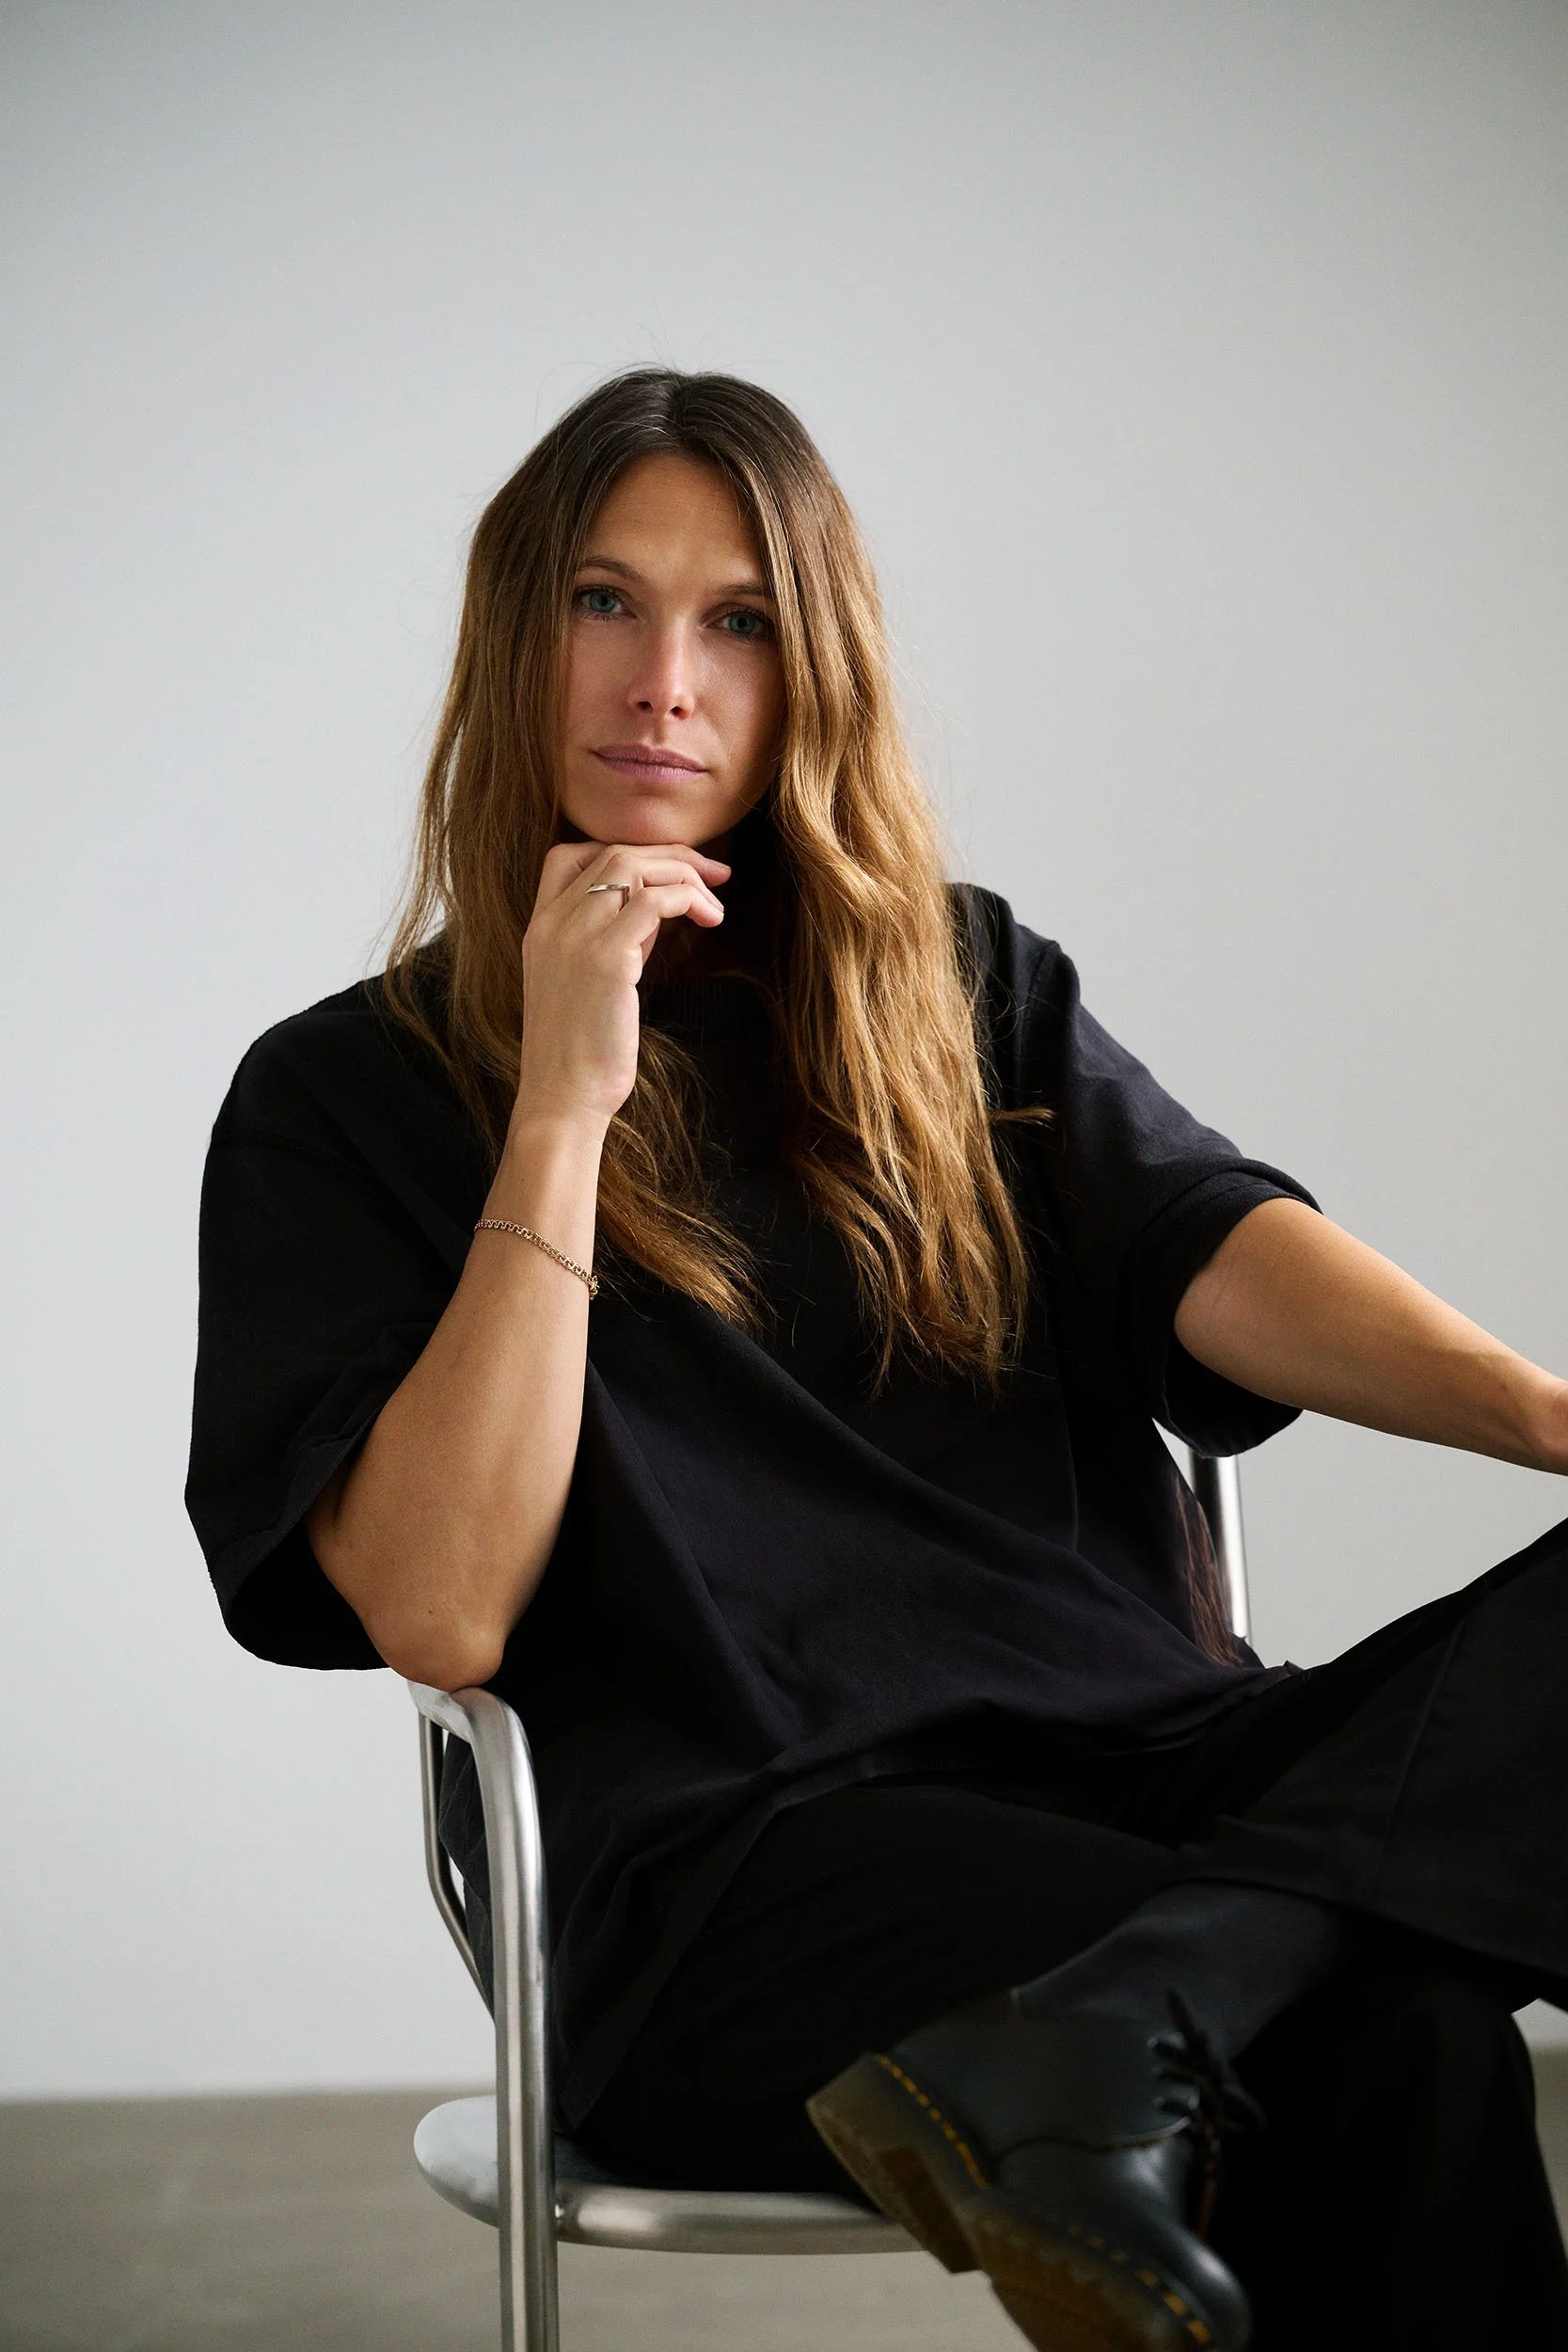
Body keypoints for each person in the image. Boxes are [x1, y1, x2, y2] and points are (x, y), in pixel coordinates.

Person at [187, 369, 1568, 2352]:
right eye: (603, 600)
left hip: (1142, 1781)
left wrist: (1539, 1413)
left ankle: (1110, 2014)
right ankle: (1120, 2010)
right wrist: (563, 1103)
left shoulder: (961, 985)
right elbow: (438, 1599)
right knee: (1397, 2029)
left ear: (806, 665)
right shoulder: (338, 1099)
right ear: (515, 638)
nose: (664, 675)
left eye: (735, 618)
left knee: (1391, 2021)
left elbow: (1212, 1245)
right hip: (734, 1875)